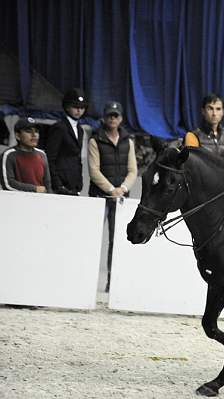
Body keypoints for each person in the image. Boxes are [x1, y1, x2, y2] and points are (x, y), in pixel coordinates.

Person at [88, 101, 137, 292]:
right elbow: (94, 171)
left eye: (116, 115)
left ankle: (112, 281)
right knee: (93, 239)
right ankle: (89, 280)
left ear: (121, 118)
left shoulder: (128, 141)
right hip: (100, 197)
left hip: (121, 198)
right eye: (110, 115)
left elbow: (133, 170)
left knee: (116, 241)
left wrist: (123, 188)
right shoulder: (94, 140)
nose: (113, 119)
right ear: (104, 118)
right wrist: (111, 189)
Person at [45, 88, 87, 195]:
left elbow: (77, 158)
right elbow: (50, 158)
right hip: (60, 184)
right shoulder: (59, 127)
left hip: (74, 185)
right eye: (75, 107)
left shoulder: (80, 130)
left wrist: (79, 182)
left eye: (82, 107)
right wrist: (57, 184)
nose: (79, 110)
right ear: (67, 107)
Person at [183, 93, 224, 167]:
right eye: (210, 108)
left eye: (218, 109)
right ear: (203, 111)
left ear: (222, 112)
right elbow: (193, 166)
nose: (214, 113)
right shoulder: (192, 136)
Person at [0, 117, 52, 193]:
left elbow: (47, 185)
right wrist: (34, 189)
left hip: (40, 201)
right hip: (17, 201)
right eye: (28, 131)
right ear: (18, 136)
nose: (34, 135)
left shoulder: (42, 154)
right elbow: (8, 184)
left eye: (36, 131)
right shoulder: (9, 155)